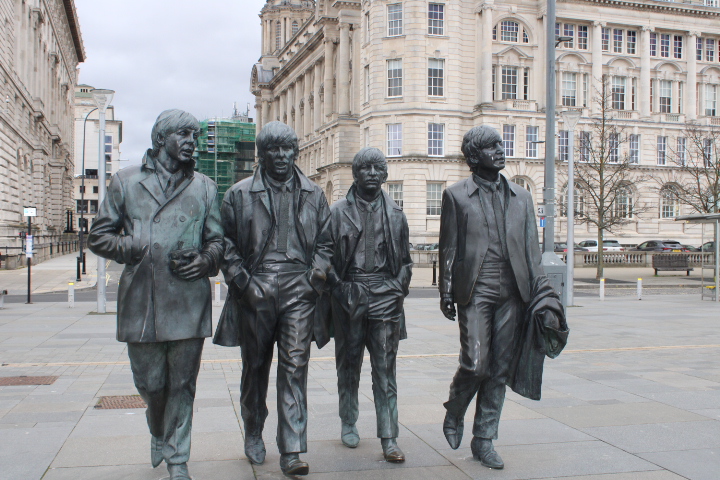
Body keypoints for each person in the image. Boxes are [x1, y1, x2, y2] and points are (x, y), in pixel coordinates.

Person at [88, 109, 223, 480]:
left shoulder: (205, 187)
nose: (191, 143)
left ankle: (177, 458)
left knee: (183, 383)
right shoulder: (126, 182)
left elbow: (217, 240)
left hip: (187, 298)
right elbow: (99, 236)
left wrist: (206, 260)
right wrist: (131, 246)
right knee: (150, 384)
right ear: (161, 138)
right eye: (184, 135)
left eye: (194, 137)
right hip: (142, 300)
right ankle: (158, 430)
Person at [438, 125, 563, 470]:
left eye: (500, 144)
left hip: (514, 292)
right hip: (475, 289)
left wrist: (543, 299)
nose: (501, 150)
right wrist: (445, 290)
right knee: (475, 363)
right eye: (492, 147)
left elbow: (532, 254)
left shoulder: (522, 198)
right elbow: (448, 247)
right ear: (475, 156)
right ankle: (455, 408)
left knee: (498, 369)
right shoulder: (456, 196)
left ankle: (485, 438)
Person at [213, 121, 330, 476]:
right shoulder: (238, 194)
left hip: (299, 287)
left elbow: (326, 242)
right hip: (256, 286)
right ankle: (253, 428)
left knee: (295, 367)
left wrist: (316, 277)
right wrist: (243, 283)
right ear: (261, 154)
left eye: (287, 148)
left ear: (296, 151)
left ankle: (292, 449)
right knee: (256, 368)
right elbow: (225, 245)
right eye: (274, 149)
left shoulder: (314, 193)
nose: (281, 155)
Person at [315, 147, 412, 463]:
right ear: (355, 173)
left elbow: (407, 262)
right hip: (349, 293)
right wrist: (340, 290)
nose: (372, 172)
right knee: (349, 363)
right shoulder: (337, 212)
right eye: (365, 167)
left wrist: (397, 287)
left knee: (385, 369)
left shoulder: (396, 214)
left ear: (385, 174)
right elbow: (324, 256)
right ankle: (349, 419)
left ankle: (389, 437)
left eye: (377, 167)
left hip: (385, 294)